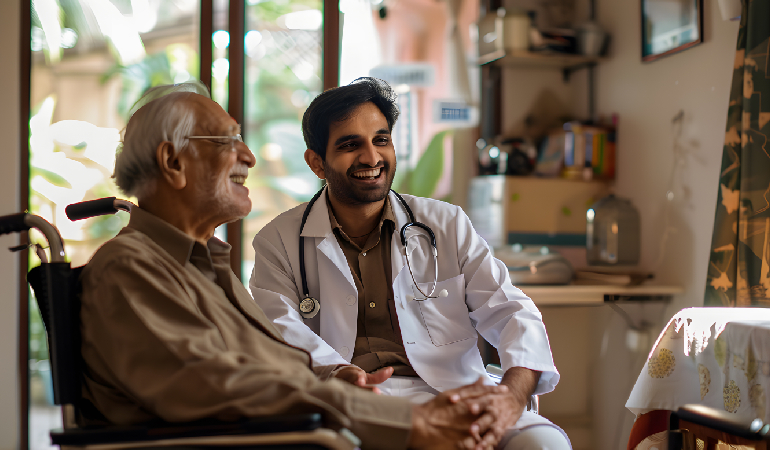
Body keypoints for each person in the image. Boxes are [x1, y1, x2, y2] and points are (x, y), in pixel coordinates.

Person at [79, 81, 510, 450]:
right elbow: (218, 385)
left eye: (381, 139)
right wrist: (406, 421)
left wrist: (345, 383)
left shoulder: (202, 269)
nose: (248, 156)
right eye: (227, 141)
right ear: (173, 163)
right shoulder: (131, 269)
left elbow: (272, 364)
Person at [249, 77, 571, 449]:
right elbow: (277, 328)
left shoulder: (445, 223)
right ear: (317, 162)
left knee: (543, 443)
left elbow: (511, 310)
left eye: (380, 140)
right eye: (351, 145)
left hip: (456, 392)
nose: (371, 157)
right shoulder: (279, 240)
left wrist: (511, 397)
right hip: (353, 404)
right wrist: (337, 373)